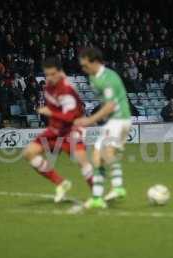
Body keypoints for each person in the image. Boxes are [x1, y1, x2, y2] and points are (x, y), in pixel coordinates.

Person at [22, 57, 94, 203]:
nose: (49, 77)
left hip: (72, 128)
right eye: (47, 74)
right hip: (55, 129)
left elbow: (69, 117)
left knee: (82, 161)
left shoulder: (67, 89)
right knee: (29, 153)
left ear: (60, 72)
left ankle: (98, 195)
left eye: (53, 74)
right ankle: (61, 183)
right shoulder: (49, 86)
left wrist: (50, 113)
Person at [75, 47, 132, 209]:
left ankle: (118, 187)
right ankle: (98, 197)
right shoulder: (93, 78)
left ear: (95, 62)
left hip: (118, 120)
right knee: (98, 156)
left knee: (104, 153)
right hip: (116, 121)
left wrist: (89, 120)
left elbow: (110, 105)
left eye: (85, 65)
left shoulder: (108, 78)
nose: (83, 68)